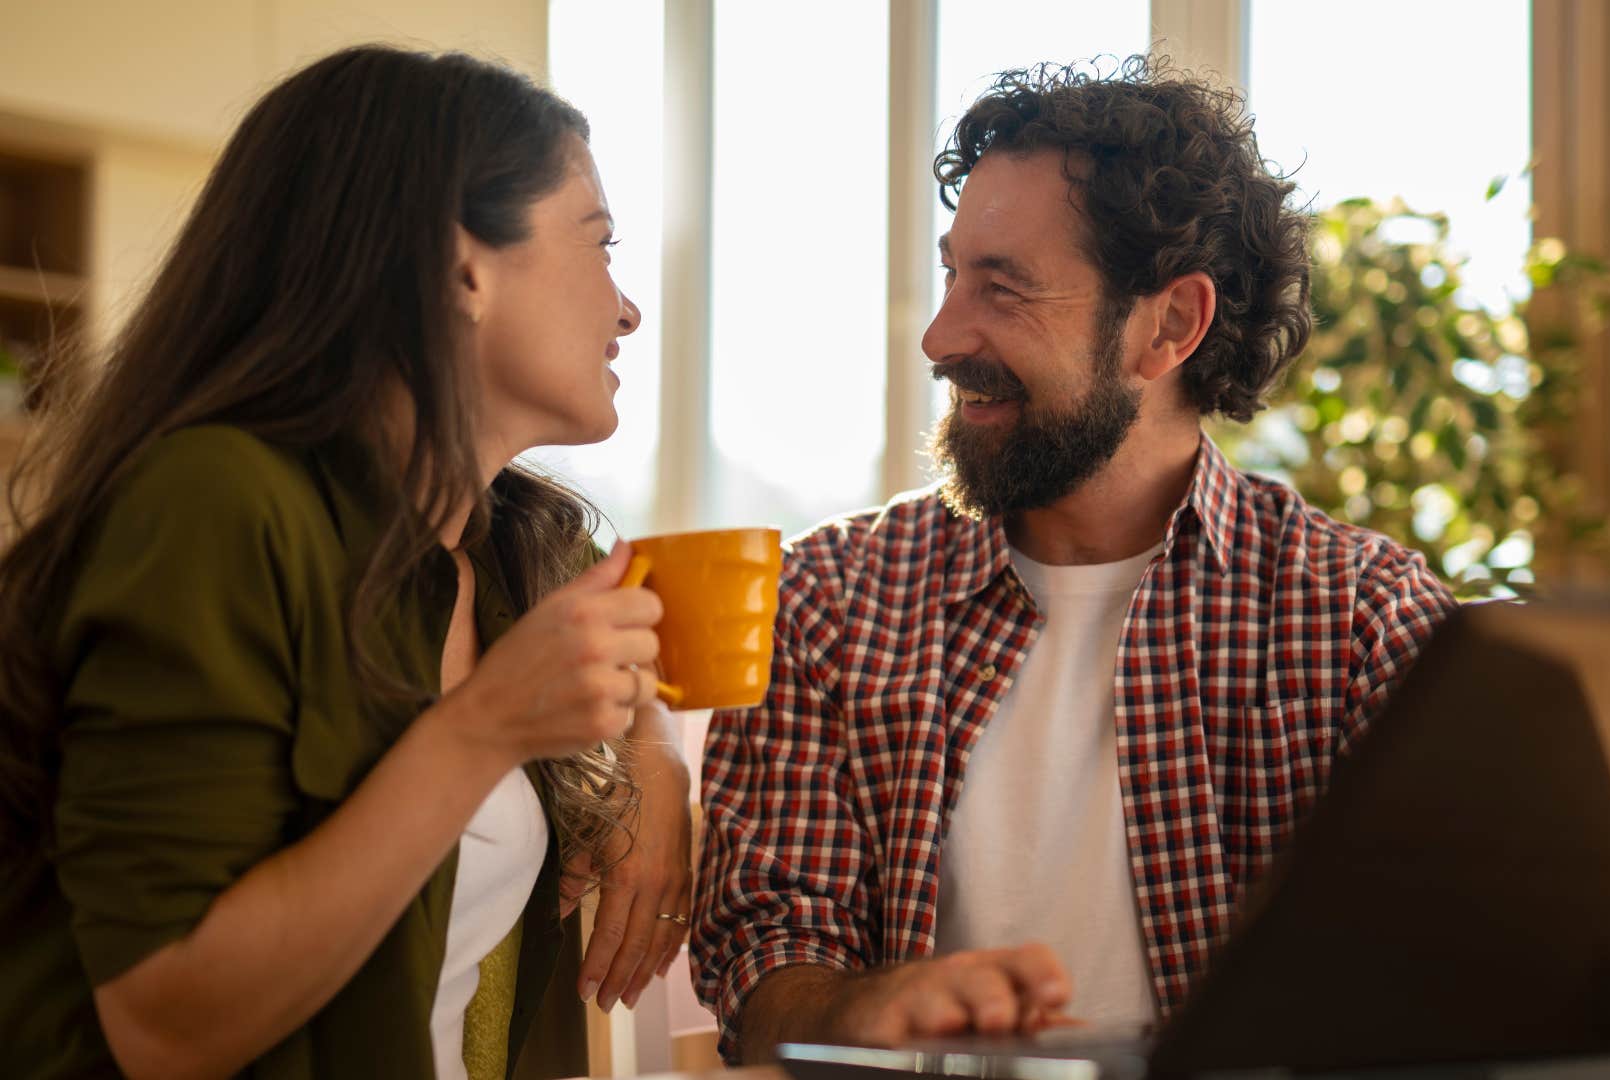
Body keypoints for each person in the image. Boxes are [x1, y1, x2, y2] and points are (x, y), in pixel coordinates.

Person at [691, 56, 1459, 1063]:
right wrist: (865, 1014)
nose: (939, 334)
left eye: (1002, 289)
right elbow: (767, 956)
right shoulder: (830, 600)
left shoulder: (1368, 625)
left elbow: (1455, 983)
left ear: (1170, 325)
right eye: (952, 273)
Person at [0, 46, 692, 1079]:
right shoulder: (216, 505)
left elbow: (616, 650)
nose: (627, 307)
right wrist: (486, 726)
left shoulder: (509, 546)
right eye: (598, 247)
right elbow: (164, 1029)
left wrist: (654, 759)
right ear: (462, 267)